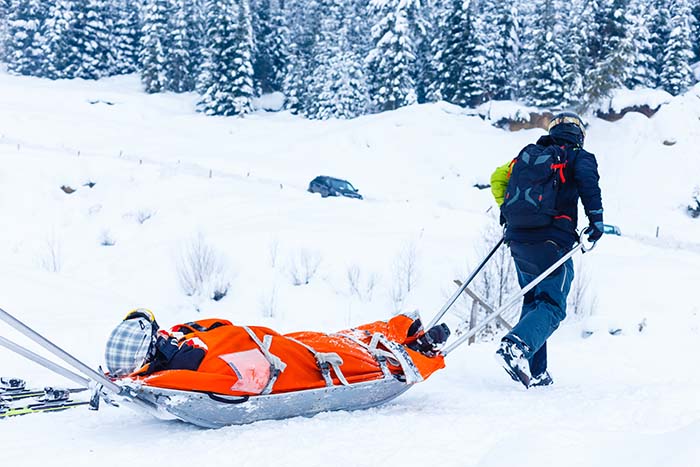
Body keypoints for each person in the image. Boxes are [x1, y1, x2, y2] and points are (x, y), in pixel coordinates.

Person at [490, 112, 603, 388]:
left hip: (518, 238)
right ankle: (516, 346)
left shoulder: (527, 156)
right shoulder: (579, 156)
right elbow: (589, 185)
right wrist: (596, 220)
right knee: (552, 306)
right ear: (579, 134)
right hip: (553, 239)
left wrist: (507, 212)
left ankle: (538, 372)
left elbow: (497, 178)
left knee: (534, 302)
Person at [104, 308, 450, 396]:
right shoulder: (189, 359)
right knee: (349, 349)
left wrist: (137, 381)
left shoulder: (186, 348)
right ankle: (417, 343)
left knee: (349, 346)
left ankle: (412, 341)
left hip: (287, 349)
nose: (166, 335)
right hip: (289, 356)